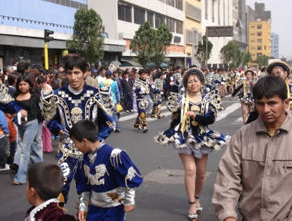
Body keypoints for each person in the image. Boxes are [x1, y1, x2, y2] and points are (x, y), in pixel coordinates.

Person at [212, 76, 292, 221]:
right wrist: (228, 215)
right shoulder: (243, 136)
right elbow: (228, 180)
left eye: (272, 103)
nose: (266, 109)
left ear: (286, 103)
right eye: (260, 104)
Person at [155, 68, 230, 221]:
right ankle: (191, 203)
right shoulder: (181, 100)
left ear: (201, 83)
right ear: (185, 84)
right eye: (189, 81)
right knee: (190, 169)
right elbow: (174, 120)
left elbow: (210, 119)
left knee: (201, 173)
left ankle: (197, 198)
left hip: (202, 137)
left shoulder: (208, 100)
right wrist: (170, 133)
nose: (193, 83)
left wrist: (196, 116)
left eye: (196, 81)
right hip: (184, 137)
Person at [41, 56, 114, 206]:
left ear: (85, 73)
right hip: (67, 150)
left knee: (94, 189)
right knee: (60, 187)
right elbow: (50, 120)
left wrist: (95, 140)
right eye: (69, 73)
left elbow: (109, 123)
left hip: (92, 152)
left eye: (77, 73)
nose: (73, 77)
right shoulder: (58, 95)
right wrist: (59, 129)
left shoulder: (96, 95)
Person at [69, 120, 143, 221]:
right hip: (95, 206)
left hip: (115, 204)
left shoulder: (114, 155)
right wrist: (83, 205)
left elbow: (129, 179)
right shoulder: (82, 160)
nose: (75, 147)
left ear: (84, 141)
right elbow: (84, 186)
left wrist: (129, 201)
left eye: (75, 143)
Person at [13, 73, 43, 185]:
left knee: (25, 150)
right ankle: (41, 171)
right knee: (32, 148)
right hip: (20, 125)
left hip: (32, 124)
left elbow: (36, 110)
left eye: (24, 84)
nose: (22, 86)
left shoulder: (34, 96)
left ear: (30, 85)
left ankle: (20, 177)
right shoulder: (15, 96)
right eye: (20, 84)